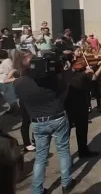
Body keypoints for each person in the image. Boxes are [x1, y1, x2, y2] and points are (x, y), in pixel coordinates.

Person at [13, 50, 75, 193]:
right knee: (63, 151)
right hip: (57, 117)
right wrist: (65, 69)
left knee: (40, 156)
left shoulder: (18, 84)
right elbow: (65, 86)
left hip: (37, 121)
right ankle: (66, 182)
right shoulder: (51, 79)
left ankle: (37, 189)